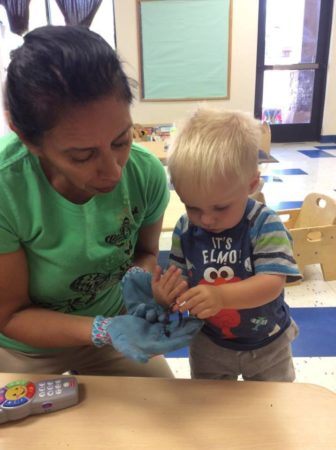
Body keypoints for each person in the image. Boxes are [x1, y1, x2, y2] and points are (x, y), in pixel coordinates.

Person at [0, 25, 200, 376]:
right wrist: (102, 330)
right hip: (29, 349)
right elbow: (11, 315)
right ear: (26, 138)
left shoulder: (145, 173)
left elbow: (146, 253)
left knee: (168, 414)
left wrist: (141, 291)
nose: (113, 173)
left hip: (116, 330)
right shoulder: (7, 188)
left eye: (121, 141)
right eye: (81, 156)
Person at [151, 107, 302, 381]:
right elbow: (181, 278)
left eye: (220, 207)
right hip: (210, 343)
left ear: (252, 183)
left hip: (268, 345)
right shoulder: (186, 227)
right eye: (192, 206)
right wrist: (168, 295)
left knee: (275, 405)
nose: (206, 219)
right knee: (212, 409)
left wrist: (221, 297)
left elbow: (272, 283)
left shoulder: (263, 224)